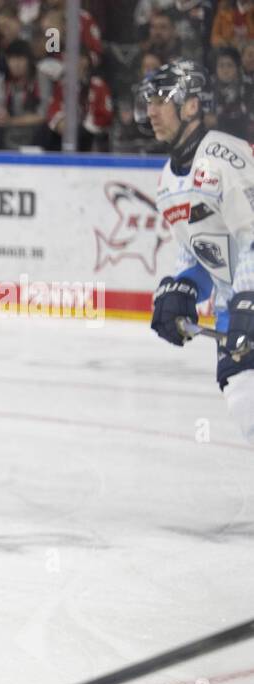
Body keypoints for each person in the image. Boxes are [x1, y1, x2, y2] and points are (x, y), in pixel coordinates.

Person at [140, 60, 254, 441]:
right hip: (234, 311)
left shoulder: (227, 157)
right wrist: (183, 287)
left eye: (161, 100)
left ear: (191, 105)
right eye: (149, 101)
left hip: (245, 306)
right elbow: (201, 252)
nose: (151, 110)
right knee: (243, 400)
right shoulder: (167, 180)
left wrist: (247, 301)